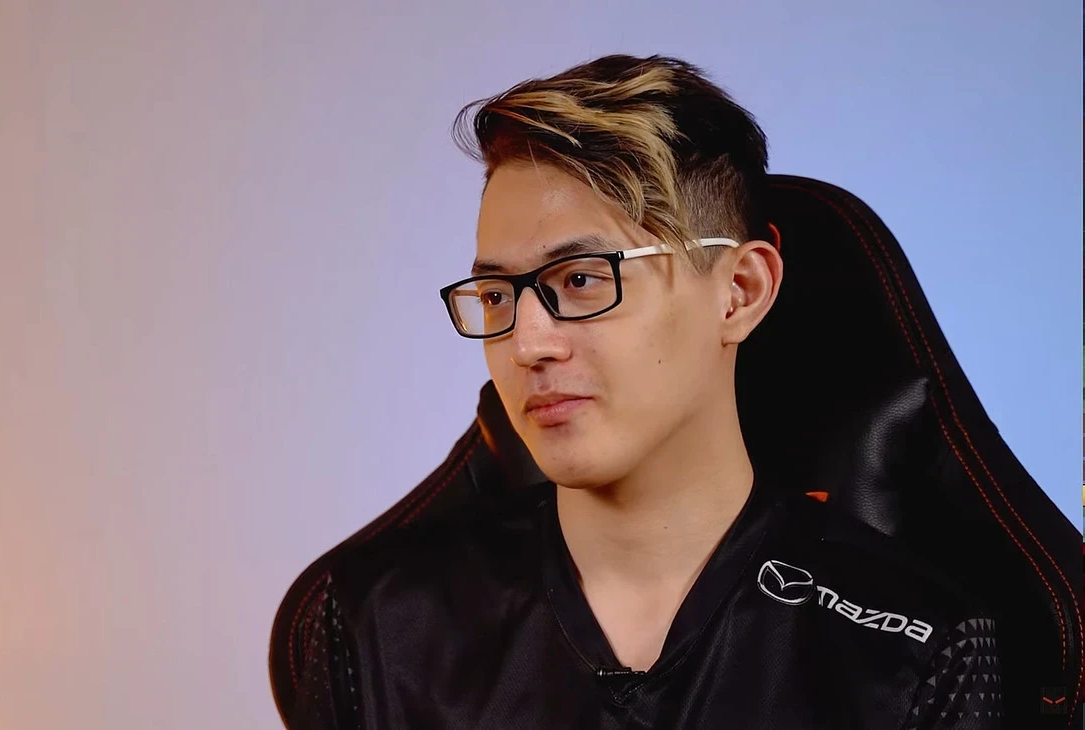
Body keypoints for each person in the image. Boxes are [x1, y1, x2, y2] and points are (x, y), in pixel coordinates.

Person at [286, 54, 1001, 729]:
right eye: (498, 293)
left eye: (581, 280)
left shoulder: (916, 655)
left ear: (739, 291)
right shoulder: (376, 621)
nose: (527, 344)